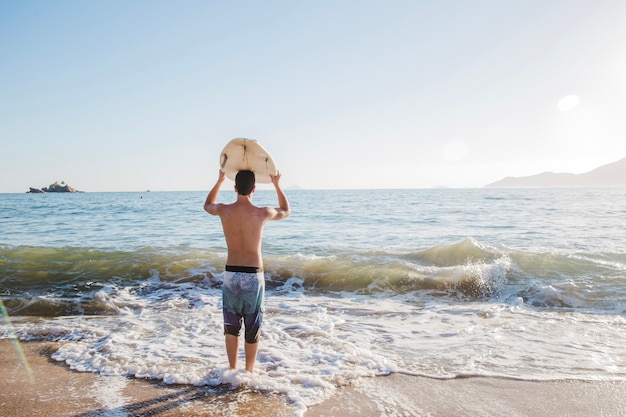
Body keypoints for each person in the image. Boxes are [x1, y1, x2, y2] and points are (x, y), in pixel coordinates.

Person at [204, 169, 291, 372]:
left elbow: (207, 205)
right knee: (252, 326)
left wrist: (218, 181)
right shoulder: (263, 212)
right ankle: (249, 373)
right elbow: (286, 210)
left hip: (231, 274)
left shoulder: (224, 210)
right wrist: (277, 184)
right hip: (253, 275)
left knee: (231, 326)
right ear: (254, 189)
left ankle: (232, 371)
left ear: (234, 188)